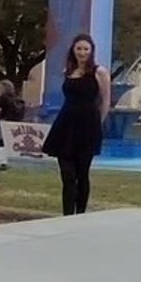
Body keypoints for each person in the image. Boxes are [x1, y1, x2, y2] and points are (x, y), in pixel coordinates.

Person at [42, 34, 110, 216]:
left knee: (82, 173)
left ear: (91, 51)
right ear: (73, 50)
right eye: (79, 48)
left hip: (88, 126)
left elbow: (105, 101)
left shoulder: (99, 72)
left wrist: (99, 123)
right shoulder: (68, 71)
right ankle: (67, 214)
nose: (82, 52)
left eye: (85, 49)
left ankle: (80, 213)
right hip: (66, 124)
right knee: (67, 175)